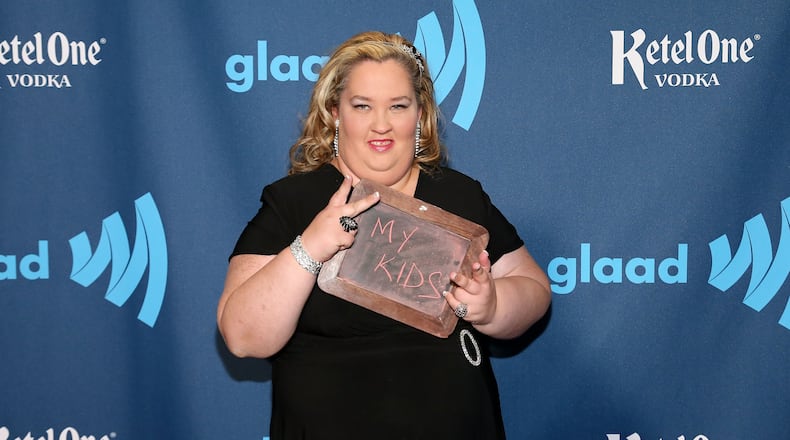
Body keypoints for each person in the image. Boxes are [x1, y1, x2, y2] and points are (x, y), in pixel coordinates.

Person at [217, 31, 551, 439]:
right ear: (335, 113)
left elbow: (534, 288)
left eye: (398, 106)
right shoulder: (294, 203)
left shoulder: (459, 196)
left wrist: (492, 305)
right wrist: (310, 248)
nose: (381, 124)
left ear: (420, 114)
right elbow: (243, 337)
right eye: (362, 106)